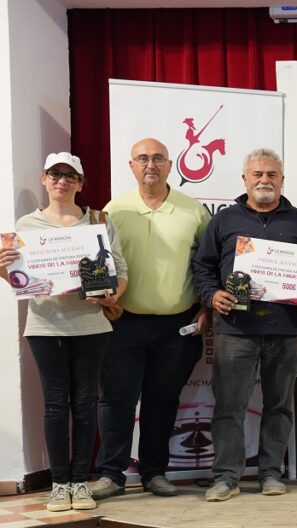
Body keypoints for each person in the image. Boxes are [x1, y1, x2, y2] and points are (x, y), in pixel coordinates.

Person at [191, 148, 297, 501]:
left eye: (271, 175)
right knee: (229, 406)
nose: (265, 180)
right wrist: (212, 294)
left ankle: (270, 473)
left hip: (285, 329)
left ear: (282, 179)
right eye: (258, 174)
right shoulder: (223, 220)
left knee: (279, 405)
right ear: (245, 179)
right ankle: (225, 477)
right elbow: (202, 267)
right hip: (235, 329)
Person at [0, 153, 127, 512]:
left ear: (81, 183)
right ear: (44, 179)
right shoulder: (26, 225)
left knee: (85, 402)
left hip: (91, 323)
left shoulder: (99, 221)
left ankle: (80, 483)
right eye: (56, 174)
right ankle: (59, 483)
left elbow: (119, 268)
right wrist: (3, 269)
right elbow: (20, 282)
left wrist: (111, 295)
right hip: (44, 324)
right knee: (56, 403)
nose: (62, 181)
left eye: (71, 176)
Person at [92, 138, 210, 499]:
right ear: (131, 166)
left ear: (170, 165)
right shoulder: (114, 209)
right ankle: (112, 474)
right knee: (116, 400)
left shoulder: (194, 211)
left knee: (163, 400)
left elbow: (208, 265)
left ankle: (154, 473)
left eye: (158, 158)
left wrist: (206, 307)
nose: (150, 164)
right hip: (122, 322)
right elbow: (101, 262)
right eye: (142, 158)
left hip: (179, 325)